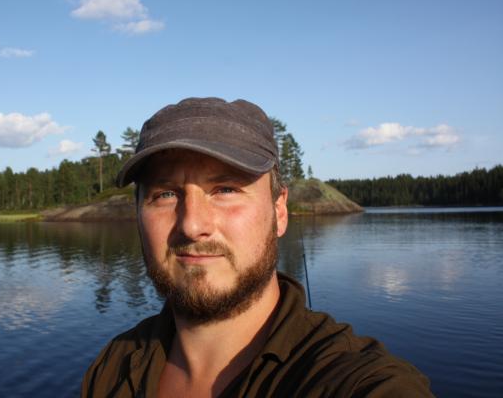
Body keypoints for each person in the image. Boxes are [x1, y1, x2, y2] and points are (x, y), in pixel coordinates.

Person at [81, 97, 433, 397]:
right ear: (138, 213)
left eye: (226, 190)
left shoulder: (354, 381)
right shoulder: (113, 366)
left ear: (279, 212)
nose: (192, 225)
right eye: (165, 195)